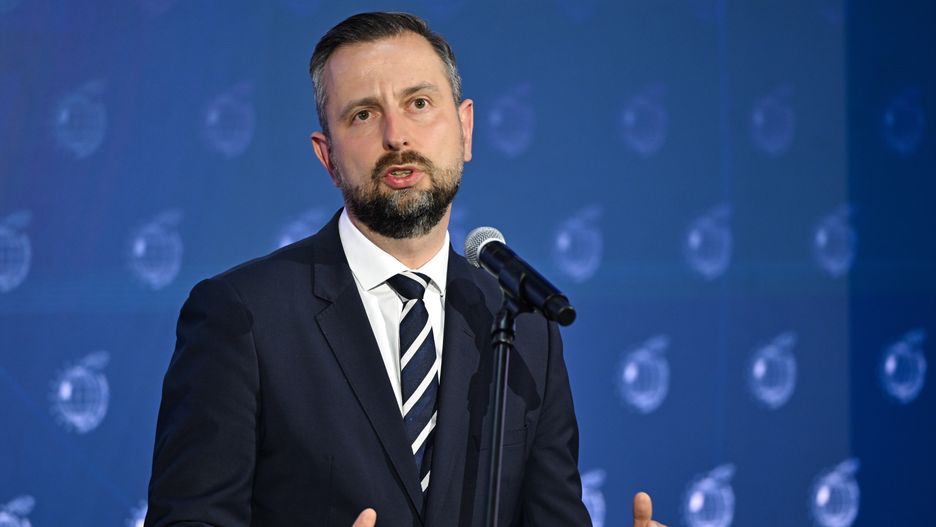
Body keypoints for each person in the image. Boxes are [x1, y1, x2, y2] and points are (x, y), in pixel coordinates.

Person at [145, 11, 666, 527]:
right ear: (327, 157)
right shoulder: (242, 316)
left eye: (419, 103)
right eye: (363, 115)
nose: (397, 136)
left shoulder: (524, 324)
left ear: (465, 129)